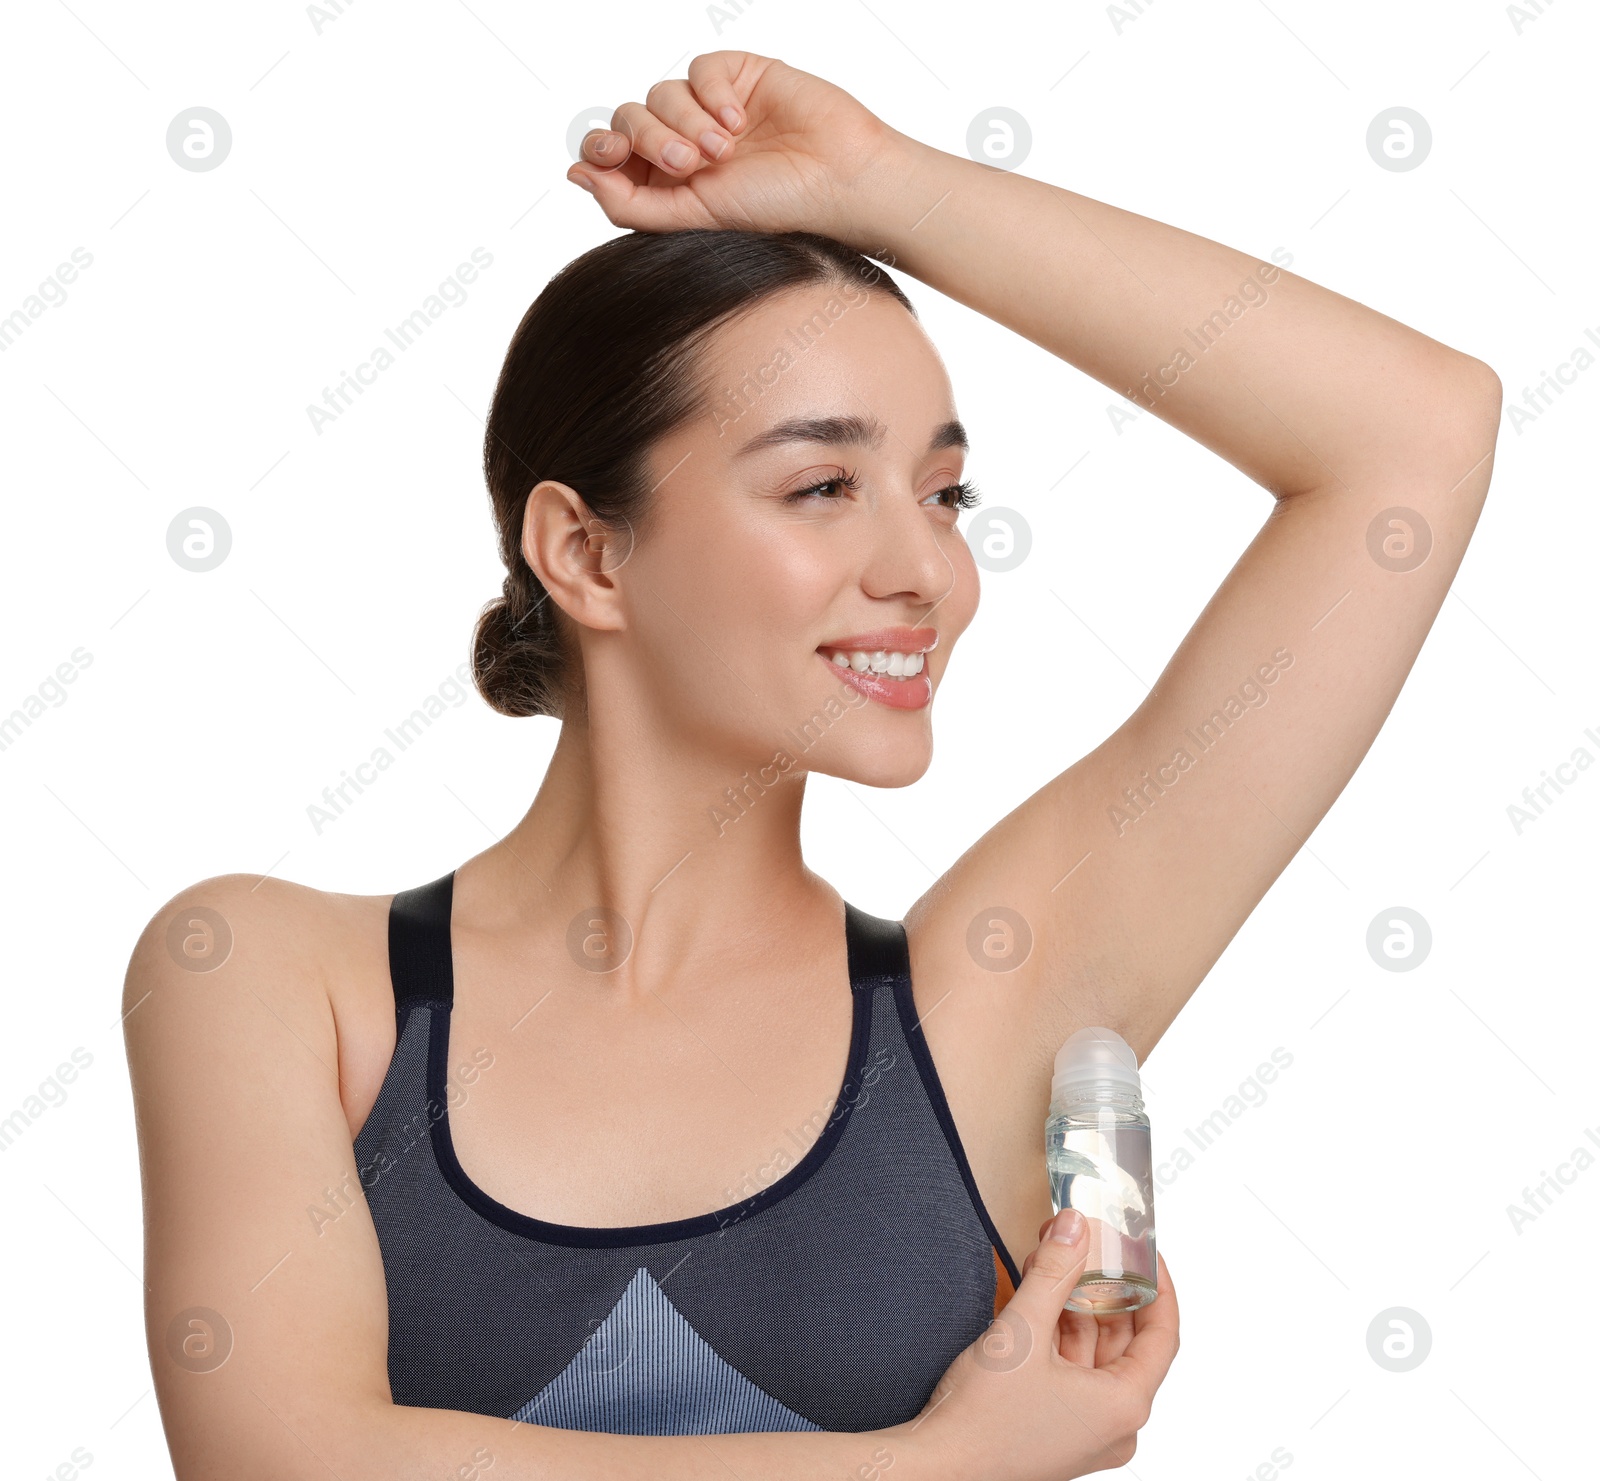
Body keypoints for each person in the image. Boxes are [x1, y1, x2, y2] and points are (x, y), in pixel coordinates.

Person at [124, 49, 1500, 1481]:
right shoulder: (270, 976)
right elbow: (284, 1461)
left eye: (945, 491)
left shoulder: (994, 999)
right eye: (823, 485)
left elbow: (1414, 438)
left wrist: (882, 187)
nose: (930, 570)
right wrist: (948, 1459)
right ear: (586, 552)